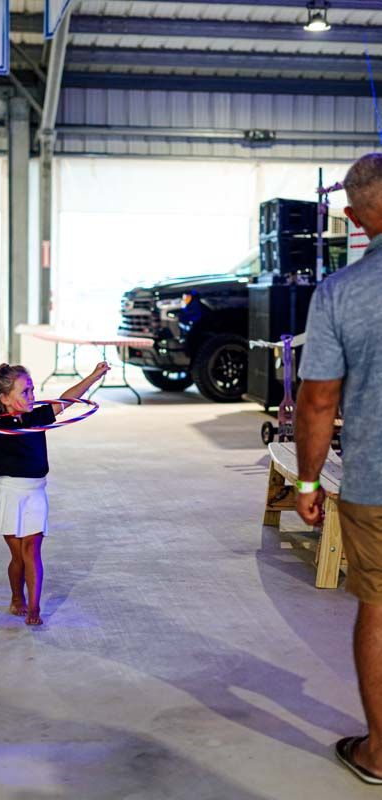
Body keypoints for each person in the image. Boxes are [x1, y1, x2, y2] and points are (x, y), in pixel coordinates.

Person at [296, 152, 382, 785]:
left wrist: (306, 481)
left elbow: (318, 400)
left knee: (379, 610)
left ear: (354, 218)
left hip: (376, 486)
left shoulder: (341, 292)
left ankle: (379, 754)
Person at [0, 360, 110, 626]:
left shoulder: (36, 416)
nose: (32, 396)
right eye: (25, 392)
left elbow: (67, 400)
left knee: (32, 550)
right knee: (17, 556)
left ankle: (34, 606)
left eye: (32, 390)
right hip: (9, 494)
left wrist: (93, 376)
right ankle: (17, 597)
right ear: (5, 398)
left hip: (35, 493)